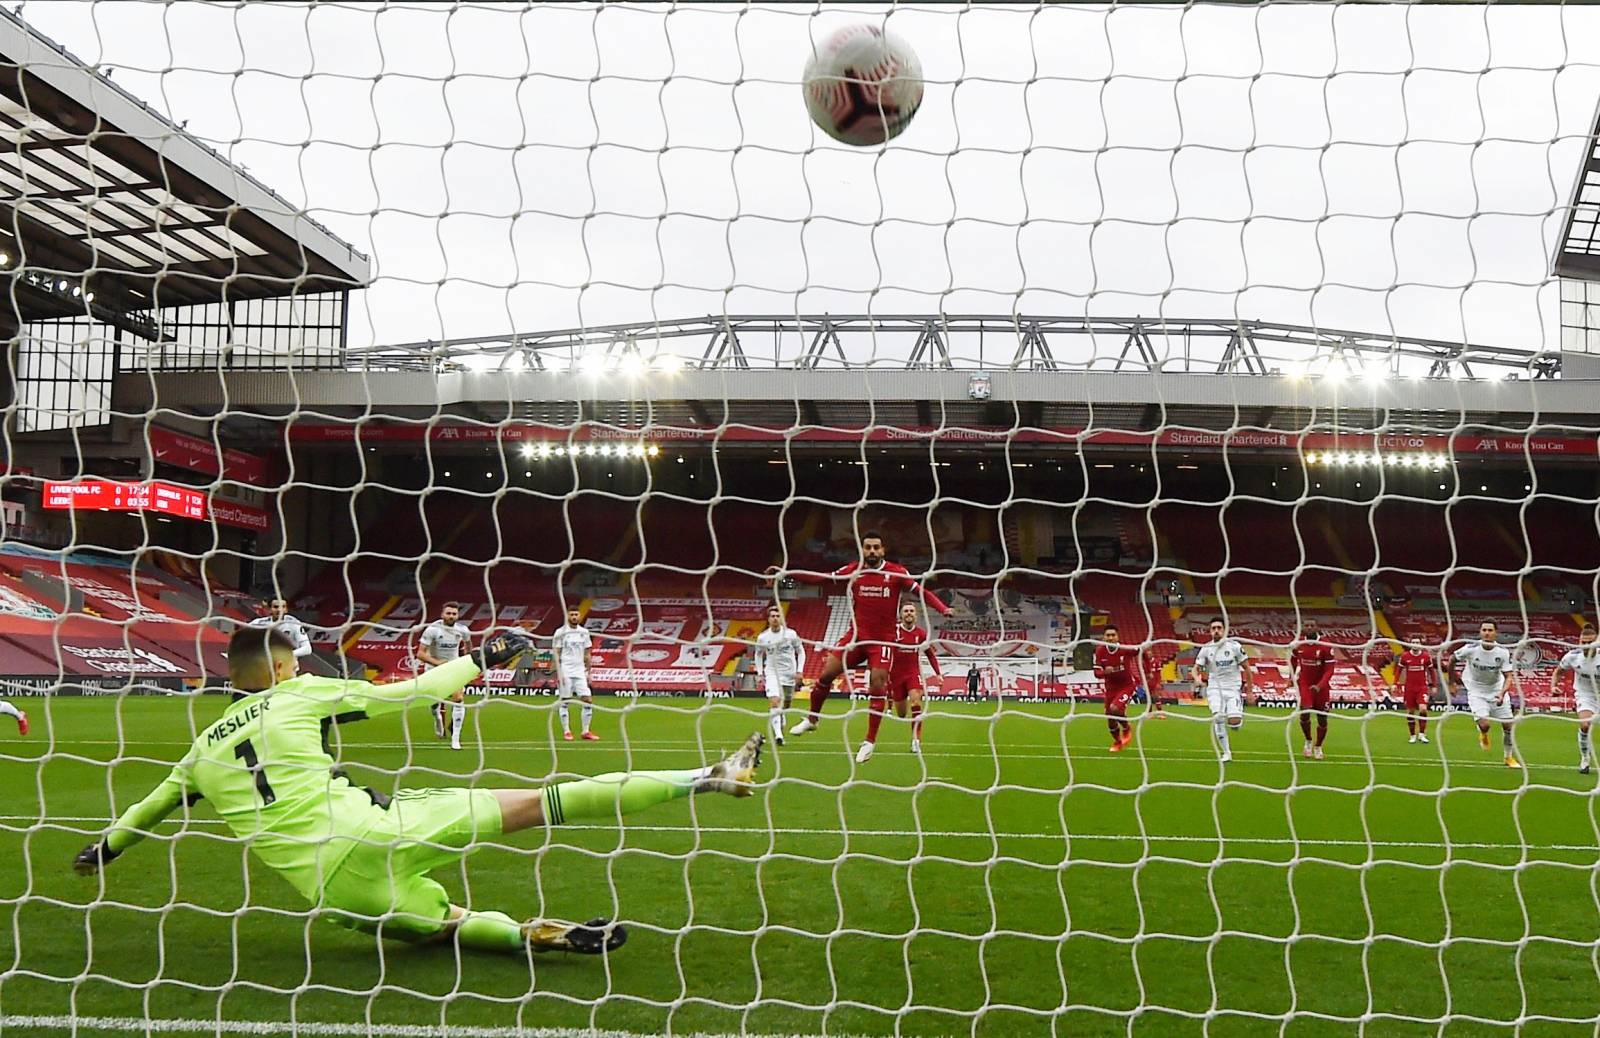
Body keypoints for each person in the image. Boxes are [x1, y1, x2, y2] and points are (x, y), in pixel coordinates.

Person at [72, 626, 764, 954]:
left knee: (447, 928)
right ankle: (706, 777)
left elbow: (143, 813)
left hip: (334, 894)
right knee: (549, 801)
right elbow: (419, 691)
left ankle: (533, 936)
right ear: (282, 667)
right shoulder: (302, 693)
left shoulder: (197, 754)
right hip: (379, 827)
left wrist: (101, 852)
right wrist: (484, 657)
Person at [769, 531, 950, 739]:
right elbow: (822, 578)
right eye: (868, 547)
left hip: (882, 641)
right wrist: (787, 572)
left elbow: (922, 592)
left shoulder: (897, 572)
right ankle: (812, 719)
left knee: (878, 686)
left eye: (876, 547)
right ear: (862, 550)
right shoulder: (854, 570)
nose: (872, 551)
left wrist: (942, 608)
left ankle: (870, 740)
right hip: (855, 636)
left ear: (883, 550)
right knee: (826, 675)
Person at [859, 602, 940, 762]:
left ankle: (916, 741)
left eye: (911, 611)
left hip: (913, 674)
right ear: (901, 615)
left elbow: (930, 654)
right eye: (906, 611)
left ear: (916, 615)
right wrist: (872, 670)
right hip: (895, 677)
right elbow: (879, 652)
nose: (909, 613)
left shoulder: (921, 634)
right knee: (902, 714)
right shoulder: (893, 632)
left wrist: (938, 673)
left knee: (916, 701)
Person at [1452, 620, 1520, 769]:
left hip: (1496, 690)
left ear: (1496, 633)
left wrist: (1502, 693)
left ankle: (1508, 757)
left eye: (1490, 630)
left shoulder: (1502, 652)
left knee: (1508, 726)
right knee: (1485, 725)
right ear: (1480, 632)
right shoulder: (1470, 649)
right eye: (1484, 630)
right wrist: (1452, 682)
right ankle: (1482, 733)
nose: (1487, 633)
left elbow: (1508, 676)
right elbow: (1452, 659)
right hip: (1476, 691)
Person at [1191, 618, 1250, 764]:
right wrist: (1197, 679)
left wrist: (1250, 690)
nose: (1216, 630)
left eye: (1219, 628)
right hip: (1214, 688)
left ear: (1224, 630)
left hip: (1233, 688)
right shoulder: (1206, 649)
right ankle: (1226, 752)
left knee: (1234, 723)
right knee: (1218, 718)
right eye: (1213, 628)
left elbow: (1247, 668)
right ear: (1210, 631)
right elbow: (1195, 668)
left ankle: (1236, 719)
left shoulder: (1234, 646)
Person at [418, 603, 471, 750]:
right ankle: (437, 717)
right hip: (433, 669)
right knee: (434, 701)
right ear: (442, 614)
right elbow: (420, 654)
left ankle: (455, 739)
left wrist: (467, 661)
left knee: (458, 698)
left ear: (458, 615)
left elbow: (468, 646)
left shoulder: (462, 630)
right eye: (448, 613)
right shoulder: (432, 630)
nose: (451, 616)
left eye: (454, 613)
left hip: (453, 668)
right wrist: (437, 663)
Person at [752, 605, 806, 747]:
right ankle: (778, 735)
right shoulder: (763, 637)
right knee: (775, 701)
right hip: (772, 672)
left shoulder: (791, 634)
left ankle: (782, 716)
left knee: (787, 702)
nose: (775, 619)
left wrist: (799, 671)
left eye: (778, 616)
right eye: (773, 616)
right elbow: (758, 655)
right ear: (768, 619)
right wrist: (759, 673)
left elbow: (801, 651)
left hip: (789, 673)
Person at [1556, 623, 1599, 774]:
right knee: (1585, 725)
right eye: (1583, 642)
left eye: (1590, 642)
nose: (1586, 645)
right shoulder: (1573, 657)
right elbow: (1558, 671)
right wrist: (1553, 686)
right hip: (1585, 695)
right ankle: (1585, 759)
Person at [550, 608, 599, 741]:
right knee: (565, 701)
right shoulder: (560, 632)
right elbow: (557, 653)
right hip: (566, 669)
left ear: (580, 616)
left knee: (588, 700)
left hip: (580, 671)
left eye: (576, 614)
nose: (574, 617)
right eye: (571, 614)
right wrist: (558, 672)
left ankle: (586, 731)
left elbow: (587, 653)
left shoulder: (584, 632)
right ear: (567, 616)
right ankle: (567, 731)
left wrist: (589, 671)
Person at [1291, 619, 1336, 760]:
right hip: (1304, 684)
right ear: (1303, 628)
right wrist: (1290, 676)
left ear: (1317, 627)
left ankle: (1318, 746)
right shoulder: (1298, 645)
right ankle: (1308, 741)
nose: (1309, 628)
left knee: (1322, 718)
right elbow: (1293, 660)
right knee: (1304, 713)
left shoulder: (1326, 646)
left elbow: (1329, 670)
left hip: (1321, 687)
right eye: (1307, 625)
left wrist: (1319, 686)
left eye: (1312, 625)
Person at [1094, 624, 1139, 753]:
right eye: (1108, 635)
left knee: (1115, 709)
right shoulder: (1100, 651)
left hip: (1127, 686)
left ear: (1117, 637)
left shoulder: (1125, 649)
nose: (1110, 637)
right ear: (1104, 637)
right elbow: (1096, 673)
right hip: (1110, 688)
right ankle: (1117, 742)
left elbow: (1141, 650)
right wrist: (1105, 672)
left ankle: (1126, 727)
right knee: (1110, 719)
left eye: (1113, 635)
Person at [1393, 641, 1436, 744]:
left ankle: (1422, 734)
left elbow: (1432, 671)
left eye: (1417, 642)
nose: (1415, 644)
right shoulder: (1405, 656)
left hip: (1422, 687)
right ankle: (1412, 735)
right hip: (1409, 688)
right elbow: (1398, 670)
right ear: (1410, 644)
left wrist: (1433, 685)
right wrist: (1395, 683)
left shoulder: (1425, 656)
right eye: (1413, 642)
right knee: (1410, 712)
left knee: (1423, 709)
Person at [248, 598, 313, 658]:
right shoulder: (259, 622)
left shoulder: (294, 623)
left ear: (286, 610)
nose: (279, 610)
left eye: (283, 607)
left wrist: (283, 655)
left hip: (286, 663)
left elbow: (307, 649)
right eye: (276, 607)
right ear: (269, 609)